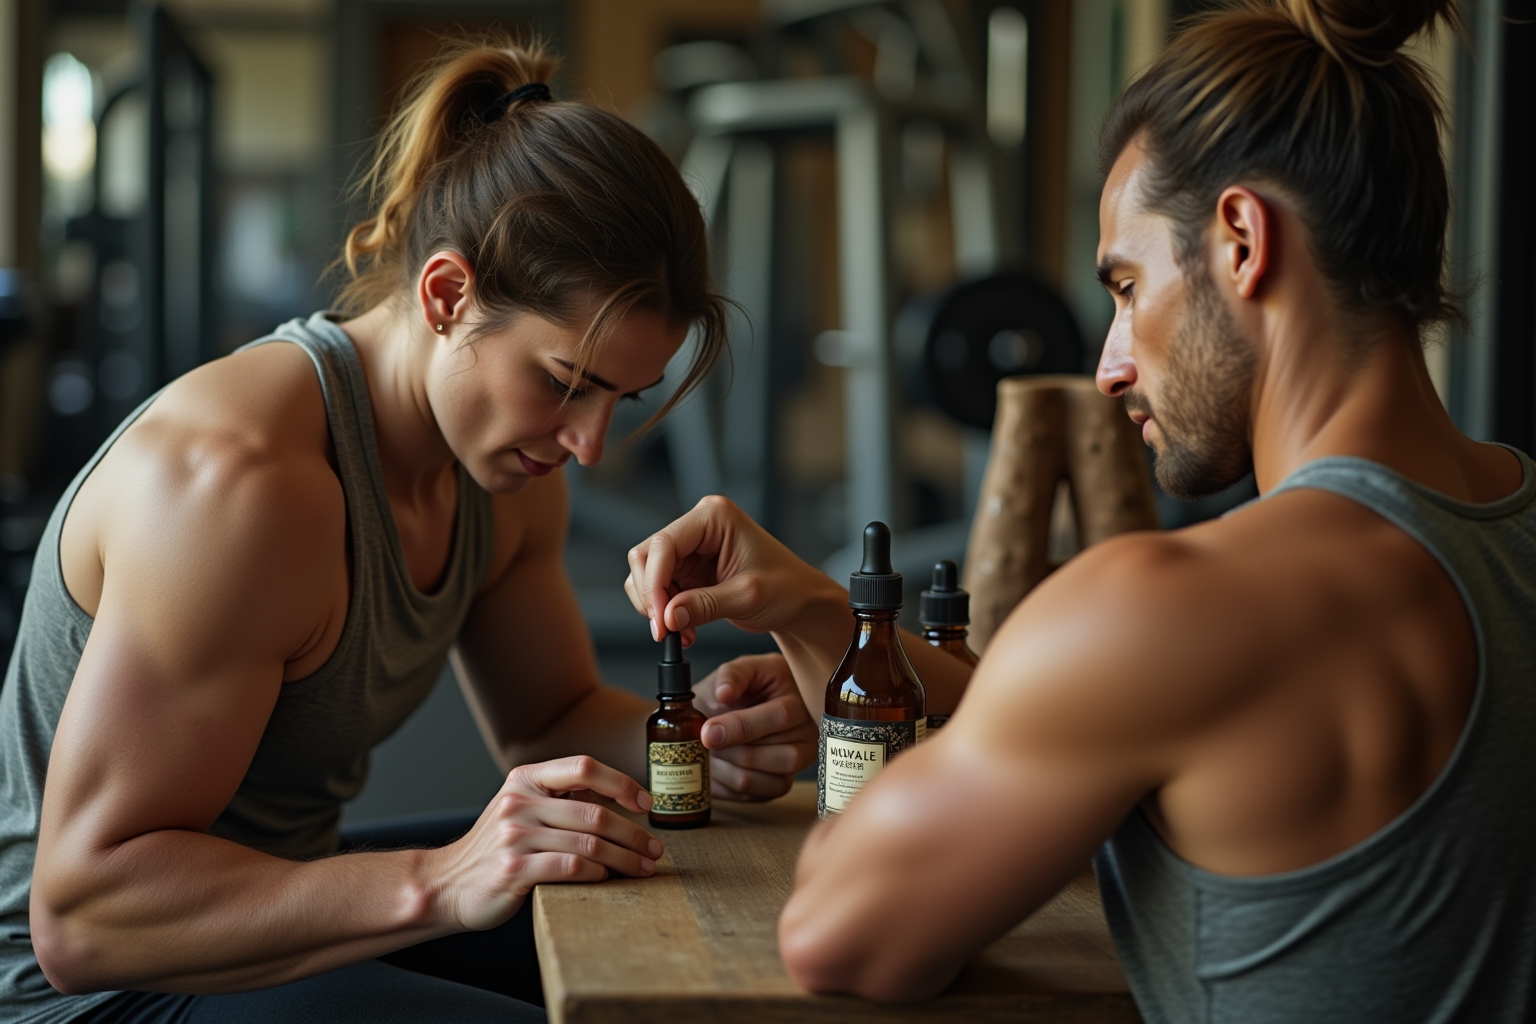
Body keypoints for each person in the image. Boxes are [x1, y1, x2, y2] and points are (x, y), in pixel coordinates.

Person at [625, 0, 1536, 1019]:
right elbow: (1106, 716)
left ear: (1242, 241)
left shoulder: (1174, 609)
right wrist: (818, 612)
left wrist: (870, 782)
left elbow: (839, 930)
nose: (1110, 365)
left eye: (1128, 285)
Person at [0, 41, 817, 1024]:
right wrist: (443, 877)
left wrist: (694, 739)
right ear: (446, 296)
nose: (589, 443)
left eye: (621, 399)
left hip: (273, 912)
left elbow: (549, 715)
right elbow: (85, 919)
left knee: (699, 938)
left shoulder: (509, 469)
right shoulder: (242, 490)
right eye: (564, 383)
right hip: (99, 994)